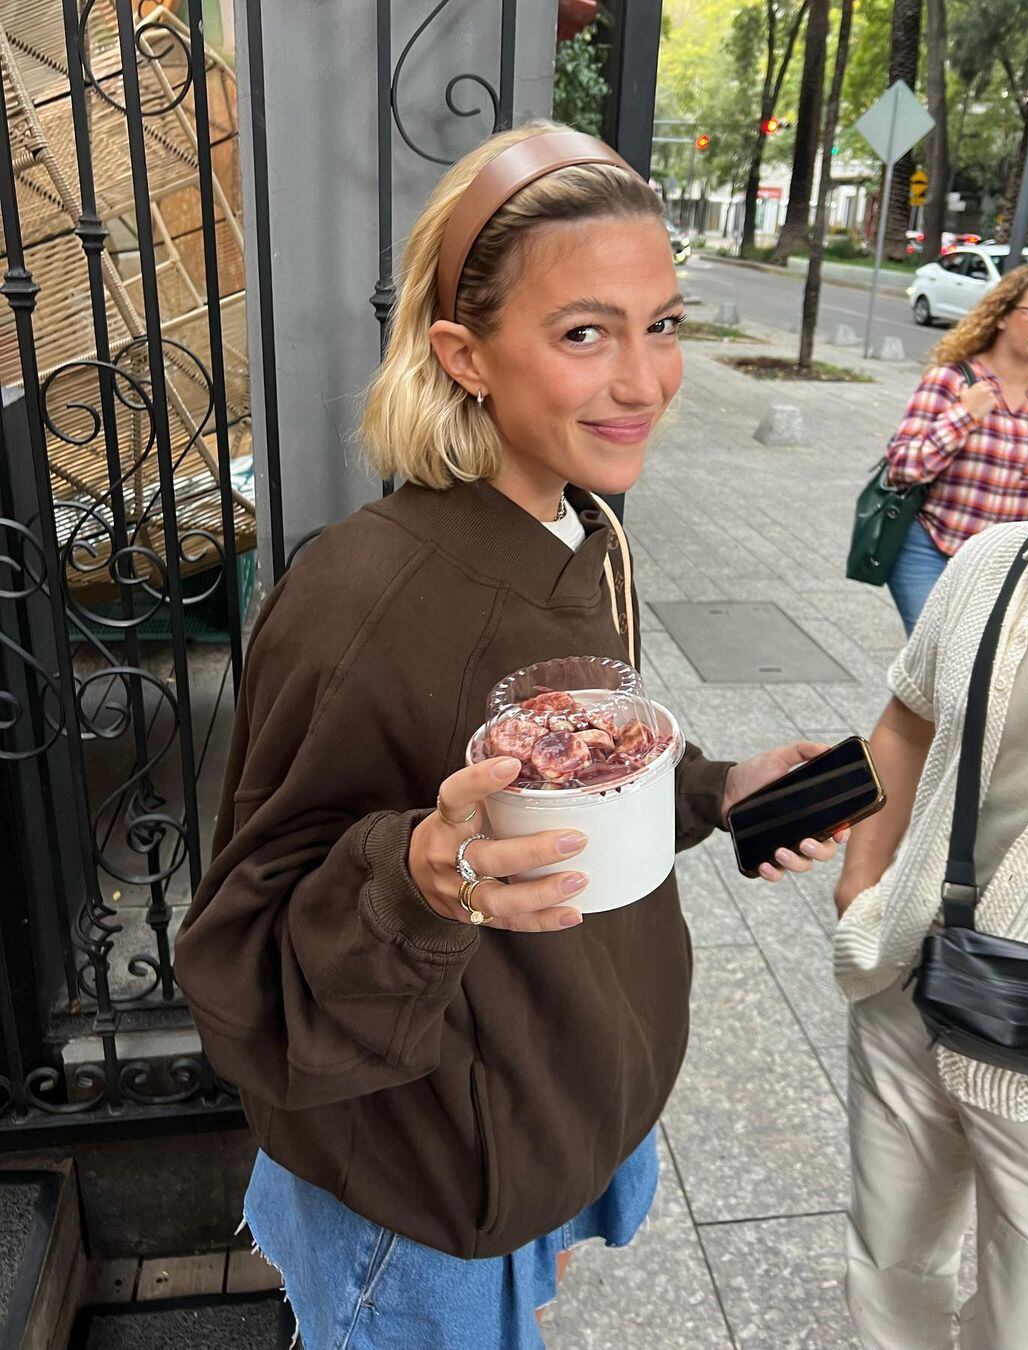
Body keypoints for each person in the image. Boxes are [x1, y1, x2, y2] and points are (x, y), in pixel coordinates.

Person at [174, 122, 846, 1349]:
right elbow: (240, 957)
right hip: (415, 1191)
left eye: (666, 324)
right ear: (465, 354)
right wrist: (416, 877)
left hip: (545, 1098)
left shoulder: (581, 522)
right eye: (584, 332)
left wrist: (711, 788)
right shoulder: (365, 601)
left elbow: (556, 786)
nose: (645, 382)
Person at [832, 259, 1028, 1348]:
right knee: (890, 1264)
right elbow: (905, 719)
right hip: (909, 978)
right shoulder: (986, 563)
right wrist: (863, 887)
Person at [884, 262, 1028, 635]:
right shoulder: (952, 379)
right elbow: (901, 467)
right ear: (1000, 316)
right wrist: (964, 416)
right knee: (936, 659)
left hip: (1009, 567)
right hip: (932, 550)